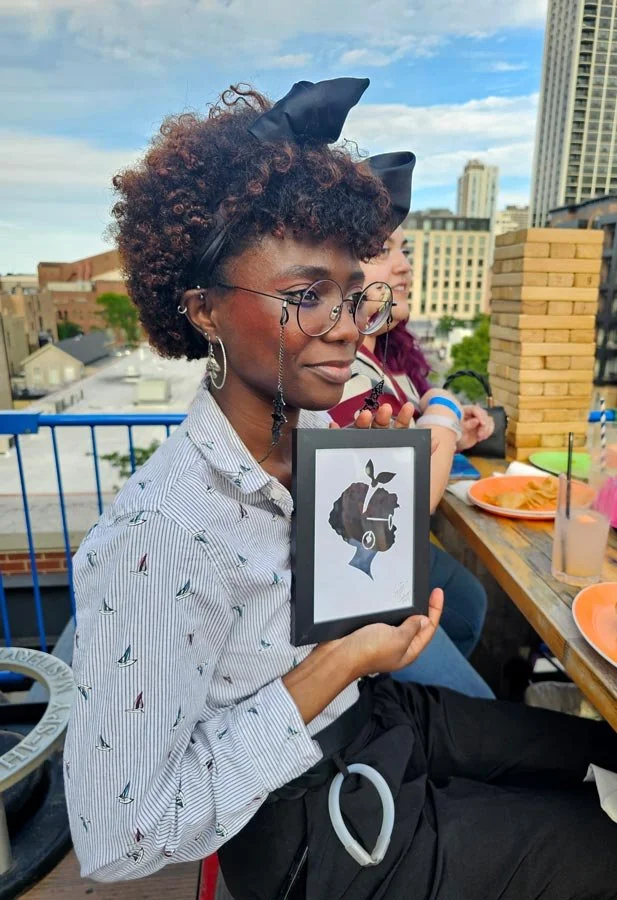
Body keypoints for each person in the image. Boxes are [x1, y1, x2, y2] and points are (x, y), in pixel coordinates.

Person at [64, 78, 617, 900]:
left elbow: (343, 584)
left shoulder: (316, 439)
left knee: (600, 760)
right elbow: (121, 837)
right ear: (202, 310)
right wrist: (339, 661)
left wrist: (367, 535)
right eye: (303, 297)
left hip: (377, 717)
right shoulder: (161, 536)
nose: (348, 327)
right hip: (313, 821)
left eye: (349, 296)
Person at [329, 221, 493, 697]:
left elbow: (405, 445)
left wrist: (452, 430)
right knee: (476, 702)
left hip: (395, 554)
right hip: (360, 572)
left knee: (468, 603)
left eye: (403, 250)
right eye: (382, 250)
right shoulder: (336, 365)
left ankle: (414, 717)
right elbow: (413, 494)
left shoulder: (385, 361)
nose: (403, 266)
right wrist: (442, 408)